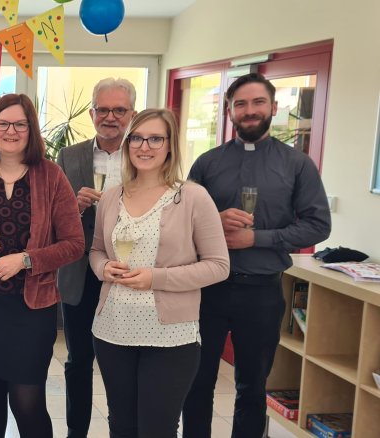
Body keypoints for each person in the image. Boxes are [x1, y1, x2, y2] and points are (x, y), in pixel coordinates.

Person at [183, 73, 331, 437]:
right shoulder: (207, 163)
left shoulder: (297, 165)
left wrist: (258, 239)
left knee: (252, 386)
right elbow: (179, 221)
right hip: (207, 290)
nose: (250, 111)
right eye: (241, 104)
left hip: (262, 292)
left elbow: (318, 226)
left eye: (258, 103)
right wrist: (214, 222)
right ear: (229, 111)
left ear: (274, 108)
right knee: (196, 382)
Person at [0, 93, 84, 438]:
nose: (10, 131)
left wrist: (26, 260)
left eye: (19, 124)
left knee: (28, 403)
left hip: (29, 310)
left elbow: (75, 244)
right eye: (3, 123)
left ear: (30, 130)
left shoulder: (51, 176)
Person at [89, 108, 230, 437]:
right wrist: (103, 268)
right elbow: (95, 251)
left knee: (157, 428)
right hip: (112, 331)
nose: (144, 146)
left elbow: (219, 266)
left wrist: (156, 279)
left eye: (155, 138)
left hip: (170, 338)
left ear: (170, 145)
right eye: (136, 138)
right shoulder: (112, 197)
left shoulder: (192, 197)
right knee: (121, 425)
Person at [55, 77, 136, 438]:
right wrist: (74, 207)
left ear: (131, 114)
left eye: (119, 110)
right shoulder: (69, 156)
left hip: (131, 270)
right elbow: (54, 218)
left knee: (126, 362)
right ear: (91, 113)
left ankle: (124, 429)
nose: (110, 117)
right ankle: (76, 432)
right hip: (81, 272)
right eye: (103, 109)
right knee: (79, 361)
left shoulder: (146, 153)